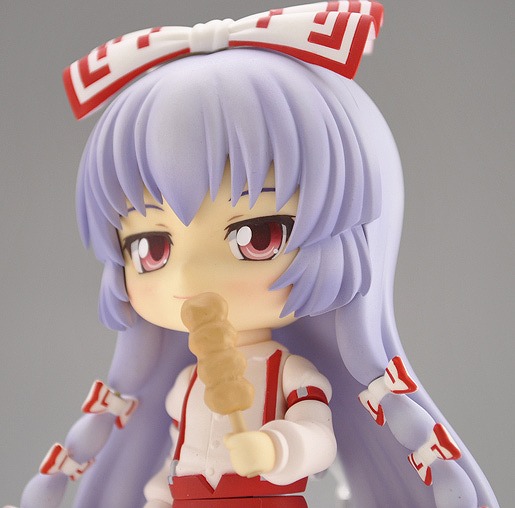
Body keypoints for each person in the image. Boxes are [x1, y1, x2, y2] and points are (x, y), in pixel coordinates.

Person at [12, 2, 498, 507]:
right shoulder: (185, 386)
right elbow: (176, 457)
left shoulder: (291, 374)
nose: (191, 278)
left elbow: (317, 439)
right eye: (151, 247)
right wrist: (157, 496)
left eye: (256, 236)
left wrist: (275, 447)